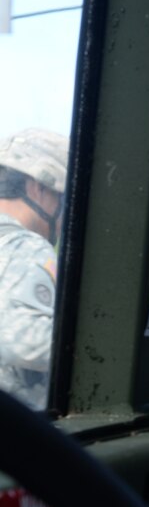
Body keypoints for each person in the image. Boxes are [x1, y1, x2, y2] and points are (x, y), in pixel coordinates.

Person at [0, 129, 68, 409]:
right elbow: (23, 339)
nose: (65, 216)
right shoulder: (26, 247)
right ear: (37, 188)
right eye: (63, 200)